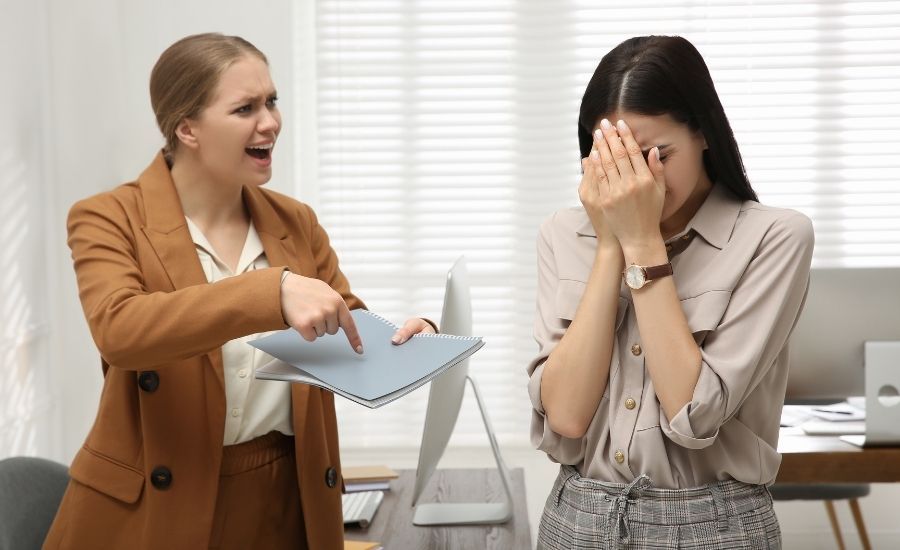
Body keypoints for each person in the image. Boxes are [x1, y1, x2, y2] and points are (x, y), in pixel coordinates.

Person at [43, 33, 436, 550]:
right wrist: (272, 292)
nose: (270, 121)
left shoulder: (296, 222)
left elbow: (342, 324)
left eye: (272, 101)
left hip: (283, 497)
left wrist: (407, 338)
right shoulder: (107, 217)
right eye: (245, 107)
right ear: (187, 128)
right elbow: (120, 330)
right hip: (152, 509)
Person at [528, 35, 813, 549]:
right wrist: (611, 244)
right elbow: (567, 417)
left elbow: (691, 415)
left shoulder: (776, 238)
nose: (634, 180)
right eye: (614, 160)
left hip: (716, 527)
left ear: (703, 131)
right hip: (576, 521)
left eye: (655, 155)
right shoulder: (561, 234)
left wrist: (641, 240)